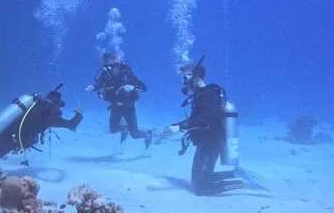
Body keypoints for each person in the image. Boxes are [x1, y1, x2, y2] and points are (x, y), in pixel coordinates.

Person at [164, 56, 246, 196]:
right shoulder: (201, 94)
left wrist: (179, 128)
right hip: (206, 142)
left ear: (196, 77)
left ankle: (243, 184)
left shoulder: (208, 94)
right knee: (199, 180)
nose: (184, 82)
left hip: (211, 143)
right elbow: (196, 119)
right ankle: (235, 174)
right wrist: (176, 126)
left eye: (186, 78)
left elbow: (205, 119)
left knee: (201, 189)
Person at [86, 52, 152, 148]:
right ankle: (126, 128)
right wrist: (93, 87)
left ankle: (147, 134)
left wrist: (133, 87)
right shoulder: (106, 72)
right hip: (115, 105)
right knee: (113, 130)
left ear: (115, 61)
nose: (108, 66)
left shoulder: (126, 72)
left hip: (128, 106)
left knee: (134, 134)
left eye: (109, 62)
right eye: (105, 62)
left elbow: (143, 87)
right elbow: (100, 83)